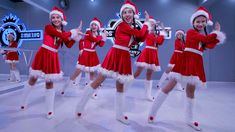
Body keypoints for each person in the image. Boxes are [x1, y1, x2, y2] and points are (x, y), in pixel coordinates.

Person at [148, 7, 226, 131]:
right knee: (169, 85)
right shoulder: (190, 32)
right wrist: (216, 33)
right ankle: (152, 113)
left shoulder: (202, 36)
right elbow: (207, 39)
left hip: (196, 64)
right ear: (193, 23)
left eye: (203, 21)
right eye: (198, 21)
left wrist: (216, 35)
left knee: (191, 91)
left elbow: (210, 44)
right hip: (185, 61)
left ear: (206, 23)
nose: (200, 24)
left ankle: (189, 119)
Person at [75, 0, 150, 125]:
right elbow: (140, 33)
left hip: (124, 56)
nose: (127, 14)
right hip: (115, 54)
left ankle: (119, 114)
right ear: (122, 15)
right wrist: (147, 23)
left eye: (129, 12)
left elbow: (141, 37)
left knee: (120, 84)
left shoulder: (131, 28)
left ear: (134, 14)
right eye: (124, 12)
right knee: (99, 80)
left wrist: (146, 28)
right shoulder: (122, 25)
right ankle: (80, 106)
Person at [20, 6, 84, 119]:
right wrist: (73, 32)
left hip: (53, 56)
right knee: (33, 78)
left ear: (62, 19)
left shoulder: (63, 32)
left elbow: (68, 44)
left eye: (57, 17)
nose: (55, 19)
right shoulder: (48, 27)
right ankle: (23, 101)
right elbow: (61, 35)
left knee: (49, 82)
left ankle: (49, 110)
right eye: (53, 17)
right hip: (43, 54)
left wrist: (76, 37)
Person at [61, 17, 106, 98]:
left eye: (95, 25)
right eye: (92, 24)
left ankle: (91, 92)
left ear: (98, 27)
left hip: (93, 55)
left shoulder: (97, 35)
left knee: (92, 74)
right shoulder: (88, 32)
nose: (94, 26)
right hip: (85, 54)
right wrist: (101, 37)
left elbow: (101, 45)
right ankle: (64, 88)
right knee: (77, 72)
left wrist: (104, 37)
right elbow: (94, 40)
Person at [134, 16, 165, 101]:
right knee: (137, 73)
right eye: (150, 23)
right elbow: (158, 41)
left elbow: (160, 42)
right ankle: (125, 85)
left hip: (153, 54)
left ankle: (148, 95)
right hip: (147, 53)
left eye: (153, 24)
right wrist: (162, 33)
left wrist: (162, 31)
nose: (152, 25)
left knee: (149, 74)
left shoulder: (155, 34)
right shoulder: (147, 33)